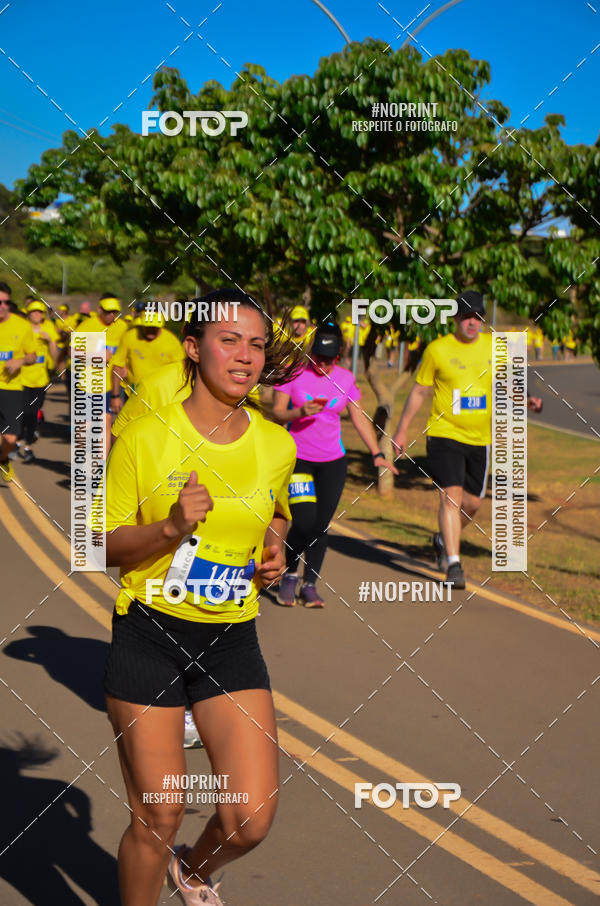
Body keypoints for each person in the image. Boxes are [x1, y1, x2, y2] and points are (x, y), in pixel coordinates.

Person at [103, 289, 303, 906]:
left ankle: (191, 872)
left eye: (257, 343)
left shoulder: (276, 444)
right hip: (149, 634)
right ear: (194, 348)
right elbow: (101, 546)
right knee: (158, 818)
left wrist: (273, 548)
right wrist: (168, 529)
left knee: (252, 817)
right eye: (229, 340)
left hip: (229, 637)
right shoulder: (143, 436)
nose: (245, 355)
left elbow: (276, 517)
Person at [272, 320, 397, 607]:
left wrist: (377, 452)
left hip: (333, 462)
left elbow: (358, 417)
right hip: (299, 460)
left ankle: (310, 584)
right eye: (317, 358)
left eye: (328, 360)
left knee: (320, 525)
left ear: (337, 357)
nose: (322, 365)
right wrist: (300, 411)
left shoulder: (345, 378)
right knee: (303, 521)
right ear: (310, 353)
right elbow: (278, 413)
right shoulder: (294, 374)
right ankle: (290, 573)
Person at [392, 290, 492, 590]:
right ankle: (454, 562)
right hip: (444, 434)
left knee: (473, 504)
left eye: (477, 317)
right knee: (451, 498)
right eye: (466, 316)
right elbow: (420, 391)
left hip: (480, 439)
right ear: (456, 318)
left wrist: (528, 399)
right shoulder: (437, 349)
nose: (472, 322)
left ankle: (441, 539)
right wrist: (402, 429)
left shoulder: (494, 348)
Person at [77, 295, 128, 448]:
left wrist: (126, 367)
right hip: (87, 384)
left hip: (108, 386)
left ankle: (101, 469)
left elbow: (127, 350)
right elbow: (72, 352)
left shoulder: (122, 327)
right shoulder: (87, 326)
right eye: (108, 312)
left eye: (115, 312)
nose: (111, 315)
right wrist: (95, 356)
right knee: (85, 428)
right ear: (99, 310)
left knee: (105, 425)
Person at [109, 312, 184, 411]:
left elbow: (182, 371)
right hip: (133, 394)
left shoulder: (172, 342)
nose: (151, 330)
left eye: (154, 327)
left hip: (161, 398)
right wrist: (115, 396)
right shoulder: (130, 336)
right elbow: (117, 365)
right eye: (147, 326)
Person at [0, 282, 37, 482]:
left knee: (10, 438)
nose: (3, 306)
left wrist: (20, 360)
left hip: (11, 388)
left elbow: (32, 356)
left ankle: (3, 459)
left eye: (6, 302)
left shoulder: (22, 326)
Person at [19, 301, 59, 462]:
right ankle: (19, 440)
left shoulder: (48, 327)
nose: (37, 314)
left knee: (32, 413)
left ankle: (28, 446)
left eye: (40, 312)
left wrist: (50, 341)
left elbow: (55, 358)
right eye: (34, 312)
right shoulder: (22, 328)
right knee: (22, 412)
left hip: (40, 379)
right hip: (20, 378)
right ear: (28, 313)